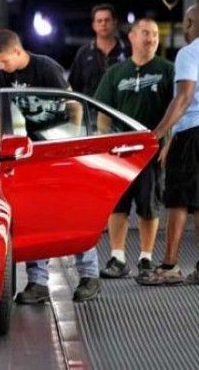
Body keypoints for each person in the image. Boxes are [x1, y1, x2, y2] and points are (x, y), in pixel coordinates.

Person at [0, 29, 101, 303]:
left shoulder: (46, 68)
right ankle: (38, 283)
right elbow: (2, 113)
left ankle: (90, 276)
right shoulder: (5, 75)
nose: (2, 68)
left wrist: (69, 147)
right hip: (29, 154)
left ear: (18, 52)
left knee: (72, 211)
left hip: (57, 150)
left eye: (5, 61)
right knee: (34, 215)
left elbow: (74, 105)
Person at [94, 18, 174, 285]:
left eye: (154, 34)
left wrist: (169, 145)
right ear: (132, 37)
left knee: (149, 207)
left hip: (152, 152)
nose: (150, 39)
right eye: (145, 33)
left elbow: (179, 112)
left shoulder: (168, 70)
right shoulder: (116, 73)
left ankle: (146, 258)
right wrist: (105, 145)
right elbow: (103, 115)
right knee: (118, 206)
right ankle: (117, 257)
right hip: (119, 154)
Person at [148, 4, 199, 284]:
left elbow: (183, 98)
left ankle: (169, 266)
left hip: (191, 134)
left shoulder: (189, 53)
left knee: (178, 200)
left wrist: (158, 133)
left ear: (190, 22)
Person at [68, 3, 129, 97]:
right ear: (93, 25)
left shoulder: (128, 50)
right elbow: (73, 87)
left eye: (107, 20)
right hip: (90, 109)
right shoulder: (84, 53)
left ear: (115, 22)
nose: (103, 24)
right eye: (99, 21)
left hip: (119, 110)